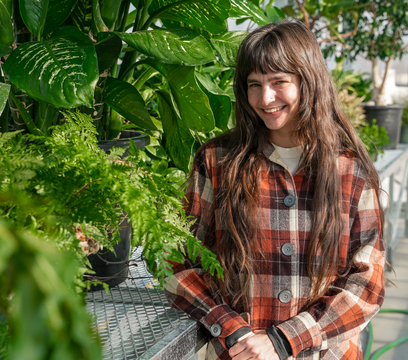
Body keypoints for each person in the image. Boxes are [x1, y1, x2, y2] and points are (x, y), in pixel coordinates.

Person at [164, 20, 385, 360]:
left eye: (279, 82)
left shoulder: (349, 170)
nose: (265, 98)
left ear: (308, 81)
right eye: (255, 84)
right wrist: (231, 327)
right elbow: (177, 258)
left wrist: (284, 340)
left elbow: (367, 284)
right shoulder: (217, 161)